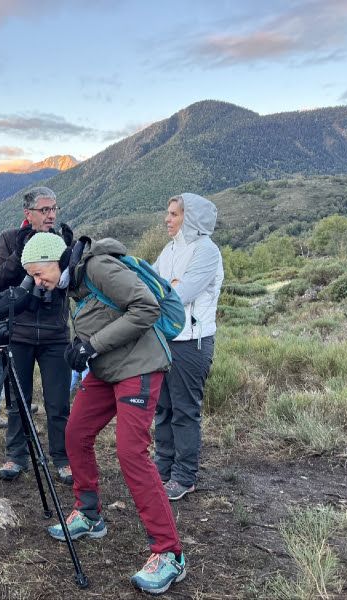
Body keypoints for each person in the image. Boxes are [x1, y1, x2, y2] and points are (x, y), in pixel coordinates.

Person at [21, 232, 186, 595]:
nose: (38, 282)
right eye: (32, 276)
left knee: (131, 454)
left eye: (38, 274)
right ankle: (89, 514)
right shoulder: (72, 281)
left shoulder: (96, 267)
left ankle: (169, 554)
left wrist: (92, 345)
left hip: (140, 367)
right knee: (75, 433)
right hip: (106, 368)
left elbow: (146, 308)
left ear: (55, 260)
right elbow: (99, 317)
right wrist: (81, 347)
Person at [0, 186, 73, 485]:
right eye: (45, 210)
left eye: (54, 209)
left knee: (58, 401)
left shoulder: (64, 238)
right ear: (29, 213)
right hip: (20, 333)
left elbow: (74, 285)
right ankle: (16, 456)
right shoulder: (9, 238)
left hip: (55, 334)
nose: (51, 215)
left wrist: (68, 259)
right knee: (17, 400)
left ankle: (62, 458)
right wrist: (20, 254)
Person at [153, 193, 223, 500]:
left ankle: (184, 476)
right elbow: (150, 283)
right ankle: (163, 467)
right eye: (168, 213)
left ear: (189, 218)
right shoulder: (170, 250)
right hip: (166, 341)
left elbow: (179, 295)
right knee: (163, 408)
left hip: (191, 344)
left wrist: (169, 287)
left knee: (184, 411)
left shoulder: (206, 251)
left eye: (173, 214)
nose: (167, 219)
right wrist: (170, 285)